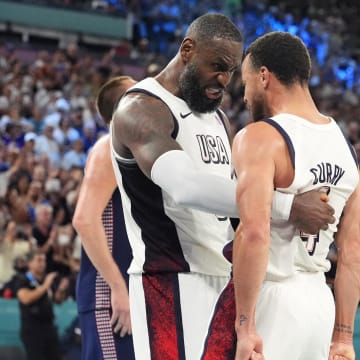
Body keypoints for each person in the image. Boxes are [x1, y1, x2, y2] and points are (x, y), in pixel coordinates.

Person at [111, 14, 336, 360]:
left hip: (227, 279)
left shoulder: (217, 117)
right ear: (187, 50)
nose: (224, 80)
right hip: (169, 281)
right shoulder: (141, 108)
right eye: (216, 66)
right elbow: (185, 187)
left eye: (231, 71)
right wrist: (288, 206)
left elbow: (235, 205)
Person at [200, 31, 359, 360]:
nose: (244, 96)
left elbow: (254, 233)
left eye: (245, 84)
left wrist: (244, 326)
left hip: (271, 298)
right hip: (319, 303)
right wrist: (343, 336)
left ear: (263, 76)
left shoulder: (259, 137)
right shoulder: (347, 151)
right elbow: (352, 254)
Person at [72, 75, 137, 360]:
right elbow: (84, 220)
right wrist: (117, 288)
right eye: (139, 93)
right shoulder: (109, 147)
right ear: (124, 107)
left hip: (128, 289)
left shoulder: (136, 151)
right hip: (108, 294)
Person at [14, 249, 62, 360]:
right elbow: (26, 298)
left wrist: (61, 290)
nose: (42, 264)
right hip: (32, 329)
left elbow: (57, 300)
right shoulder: (22, 279)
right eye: (39, 260)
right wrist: (45, 285)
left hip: (49, 326)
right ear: (30, 263)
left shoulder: (47, 279)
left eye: (44, 261)